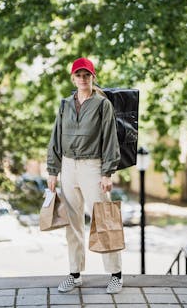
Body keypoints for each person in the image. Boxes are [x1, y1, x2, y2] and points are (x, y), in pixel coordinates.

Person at [47, 57, 123, 293]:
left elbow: (110, 139)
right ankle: (75, 273)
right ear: (73, 78)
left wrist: (107, 172)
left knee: (103, 218)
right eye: (78, 75)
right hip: (68, 167)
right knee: (73, 222)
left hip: (93, 166)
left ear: (93, 77)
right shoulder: (65, 104)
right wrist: (53, 170)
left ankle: (116, 275)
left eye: (86, 75)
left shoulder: (102, 105)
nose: (82, 78)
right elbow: (56, 137)